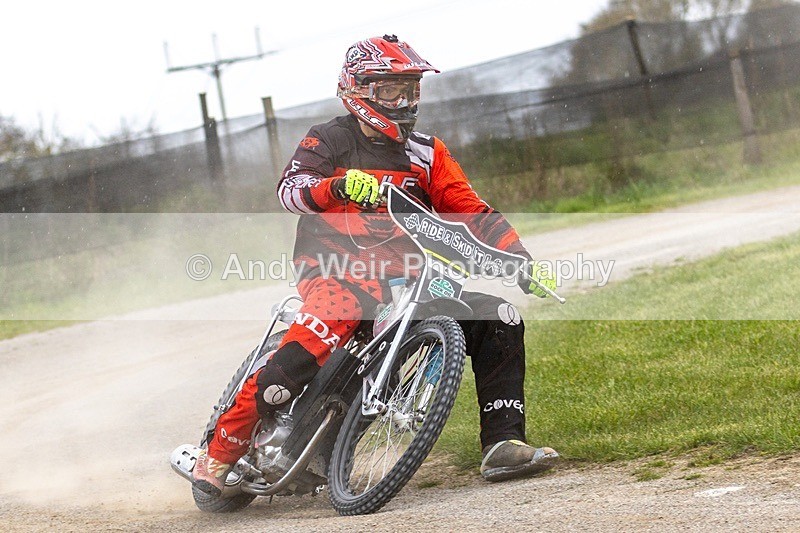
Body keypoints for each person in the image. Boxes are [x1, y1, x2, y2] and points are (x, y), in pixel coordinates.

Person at [192, 34, 559, 497]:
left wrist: (522, 260)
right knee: (323, 332)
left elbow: (469, 209)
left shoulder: (427, 152)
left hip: (408, 277)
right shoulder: (328, 139)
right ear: (358, 91)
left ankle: (504, 442)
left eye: (411, 89)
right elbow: (291, 190)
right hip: (334, 269)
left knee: (499, 317)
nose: (404, 100)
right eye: (390, 90)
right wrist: (339, 186)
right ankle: (221, 450)